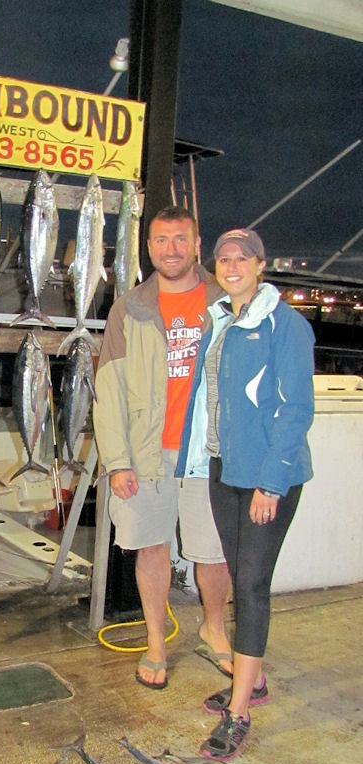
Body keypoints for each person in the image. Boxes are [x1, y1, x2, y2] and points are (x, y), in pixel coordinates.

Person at [176, 227, 315, 760]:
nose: (231, 264)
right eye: (223, 257)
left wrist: (271, 484)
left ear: (262, 265)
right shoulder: (222, 320)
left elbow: (295, 410)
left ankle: (239, 712)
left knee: (253, 585)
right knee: (240, 578)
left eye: (243, 257)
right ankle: (250, 680)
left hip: (266, 480)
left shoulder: (286, 325)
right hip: (223, 471)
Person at [93, 205, 232, 690]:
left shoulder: (228, 301)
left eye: (180, 239)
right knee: (151, 547)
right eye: (160, 240)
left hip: (207, 453)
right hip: (147, 453)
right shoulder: (129, 308)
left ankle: (214, 627)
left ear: (197, 244)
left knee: (213, 553)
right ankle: (156, 642)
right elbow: (107, 390)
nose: (170, 249)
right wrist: (117, 462)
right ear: (147, 247)